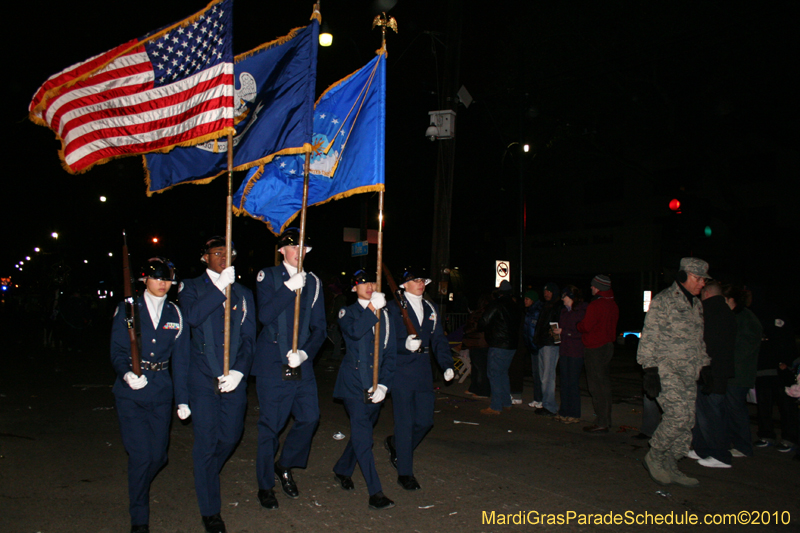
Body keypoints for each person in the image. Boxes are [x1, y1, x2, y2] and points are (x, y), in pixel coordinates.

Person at [177, 237, 256, 533]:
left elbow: (249, 339)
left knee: (231, 437)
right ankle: (211, 511)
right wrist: (219, 287)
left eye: (229, 252)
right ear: (204, 257)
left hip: (232, 380)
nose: (224, 257)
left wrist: (239, 371)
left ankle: (206, 472)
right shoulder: (191, 287)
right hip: (201, 379)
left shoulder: (245, 293)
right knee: (206, 444)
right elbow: (192, 318)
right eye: (217, 252)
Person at [110, 257, 188, 533]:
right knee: (142, 457)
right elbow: (118, 350)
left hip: (160, 392)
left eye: (166, 279)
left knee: (159, 457)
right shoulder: (129, 308)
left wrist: (182, 399)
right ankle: (139, 517)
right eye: (156, 278)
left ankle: (137, 482)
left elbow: (180, 361)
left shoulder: (175, 314)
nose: (162, 284)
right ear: (144, 280)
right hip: (131, 393)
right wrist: (125, 373)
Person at [253, 228, 326, 509]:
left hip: (302, 365)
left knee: (310, 418)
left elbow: (319, 327)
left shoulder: (315, 282)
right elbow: (265, 314)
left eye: (303, 248)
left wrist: (306, 352)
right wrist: (288, 288)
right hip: (272, 363)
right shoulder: (268, 276)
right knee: (271, 426)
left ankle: (284, 464)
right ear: (282, 250)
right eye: (294, 247)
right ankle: (265, 486)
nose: (299, 251)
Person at [637, 257, 710, 487]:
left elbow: (699, 340)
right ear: (683, 276)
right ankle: (655, 455)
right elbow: (649, 336)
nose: (702, 284)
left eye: (704, 280)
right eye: (698, 279)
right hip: (666, 369)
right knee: (677, 415)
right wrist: (649, 370)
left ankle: (671, 463)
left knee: (688, 420)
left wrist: (705, 364)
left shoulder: (696, 305)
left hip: (689, 371)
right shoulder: (664, 301)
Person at [385, 267, 455, 491]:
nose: (421, 283)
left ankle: (396, 445)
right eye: (415, 280)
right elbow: (383, 342)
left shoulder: (430, 307)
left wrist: (446, 365)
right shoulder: (393, 307)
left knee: (425, 421)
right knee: (405, 424)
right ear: (404, 285)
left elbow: (438, 340)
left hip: (424, 372)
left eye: (423, 280)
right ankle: (405, 472)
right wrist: (403, 346)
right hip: (401, 372)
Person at [332, 270, 396, 510]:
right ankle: (375, 492)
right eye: (362, 283)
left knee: (362, 434)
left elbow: (390, 354)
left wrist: (385, 384)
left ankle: (342, 469)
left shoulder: (387, 315)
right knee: (364, 437)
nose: (369, 286)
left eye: (372, 282)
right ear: (353, 289)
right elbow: (354, 332)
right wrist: (372, 310)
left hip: (376, 386)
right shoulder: (346, 312)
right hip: (353, 385)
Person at [688, 280, 736, 468]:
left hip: (710, 371)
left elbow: (705, 343)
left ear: (706, 293)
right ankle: (703, 448)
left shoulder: (707, 311)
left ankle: (720, 454)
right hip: (717, 370)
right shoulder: (727, 312)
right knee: (704, 412)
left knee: (711, 413)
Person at [723, 284, 762, 458]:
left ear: (730, 300)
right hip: (731, 373)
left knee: (736, 409)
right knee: (730, 410)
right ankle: (734, 442)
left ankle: (743, 445)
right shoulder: (734, 316)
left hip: (738, 374)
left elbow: (744, 348)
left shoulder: (745, 318)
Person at [577, 275, 619, 433]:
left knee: (596, 386)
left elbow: (586, 326)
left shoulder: (596, 305)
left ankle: (601, 421)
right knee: (604, 384)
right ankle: (606, 419)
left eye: (593, 286)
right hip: (608, 346)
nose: (591, 288)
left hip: (595, 348)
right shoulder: (612, 304)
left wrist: (579, 325)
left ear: (598, 287)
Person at [478, 280, 521, 415]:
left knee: (494, 374)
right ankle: (506, 401)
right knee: (503, 373)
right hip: (511, 344)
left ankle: (496, 405)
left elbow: (484, 321)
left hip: (498, 343)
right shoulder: (515, 306)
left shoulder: (496, 304)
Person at [552, 285, 587, 424]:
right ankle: (564, 411)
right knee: (564, 382)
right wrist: (556, 335)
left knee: (572, 383)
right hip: (565, 349)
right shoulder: (564, 312)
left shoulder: (581, 311)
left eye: (564, 296)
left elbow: (581, 331)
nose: (562, 299)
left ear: (571, 297)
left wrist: (564, 332)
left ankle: (574, 413)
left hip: (575, 351)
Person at [532, 283, 562, 416]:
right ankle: (547, 403)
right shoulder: (546, 306)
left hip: (550, 344)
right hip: (543, 343)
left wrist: (555, 339)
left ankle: (549, 405)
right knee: (543, 375)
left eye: (549, 291)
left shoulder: (557, 307)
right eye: (545, 291)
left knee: (547, 377)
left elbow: (556, 325)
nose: (546, 293)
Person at [463, 292, 492, 398]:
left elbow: (476, 326)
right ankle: (474, 387)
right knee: (476, 367)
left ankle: (483, 390)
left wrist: (466, 330)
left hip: (480, 342)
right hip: (476, 342)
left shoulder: (483, 313)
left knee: (481, 368)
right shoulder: (482, 312)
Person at [523, 290, 544, 409]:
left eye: (527, 299)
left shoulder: (537, 311)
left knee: (540, 374)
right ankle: (537, 398)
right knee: (535, 373)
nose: (525, 301)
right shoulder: (529, 311)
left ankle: (540, 398)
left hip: (538, 346)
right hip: (532, 346)